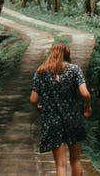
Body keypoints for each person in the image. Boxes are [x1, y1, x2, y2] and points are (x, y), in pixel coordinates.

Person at [29, 42, 91, 176]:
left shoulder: (41, 72)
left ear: (53, 53)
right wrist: (87, 107)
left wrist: (39, 107)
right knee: (75, 160)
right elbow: (85, 93)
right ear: (68, 55)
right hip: (73, 119)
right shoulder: (75, 70)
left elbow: (33, 99)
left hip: (51, 120)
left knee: (60, 164)